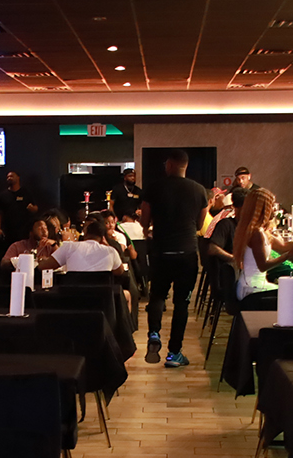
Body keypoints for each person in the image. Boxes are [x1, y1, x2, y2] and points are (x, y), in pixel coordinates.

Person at [140, 149, 209, 367]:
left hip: (161, 251)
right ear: (185, 166)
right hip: (187, 253)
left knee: (157, 296)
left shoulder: (154, 188)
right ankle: (174, 353)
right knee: (182, 303)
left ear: (169, 164)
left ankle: (153, 333)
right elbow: (200, 224)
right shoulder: (199, 190)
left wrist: (149, 227)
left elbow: (144, 220)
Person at [232, 187, 293, 303]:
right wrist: (288, 255)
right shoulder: (256, 233)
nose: (274, 210)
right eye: (271, 206)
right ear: (263, 209)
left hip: (254, 285)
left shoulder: (260, 231)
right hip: (251, 289)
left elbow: (283, 246)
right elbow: (263, 266)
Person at [40, 217, 132, 313]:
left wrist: (41, 259)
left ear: (85, 234)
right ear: (103, 237)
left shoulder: (69, 247)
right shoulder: (110, 251)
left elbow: (44, 266)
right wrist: (107, 246)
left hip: (72, 301)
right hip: (101, 302)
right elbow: (120, 271)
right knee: (126, 295)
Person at [0, 171, 38, 245]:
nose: (9, 178)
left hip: (24, 230)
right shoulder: (3, 195)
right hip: (8, 231)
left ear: (18, 177)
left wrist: (32, 208)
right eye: (8, 177)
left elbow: (36, 208)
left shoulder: (26, 193)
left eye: (11, 176)